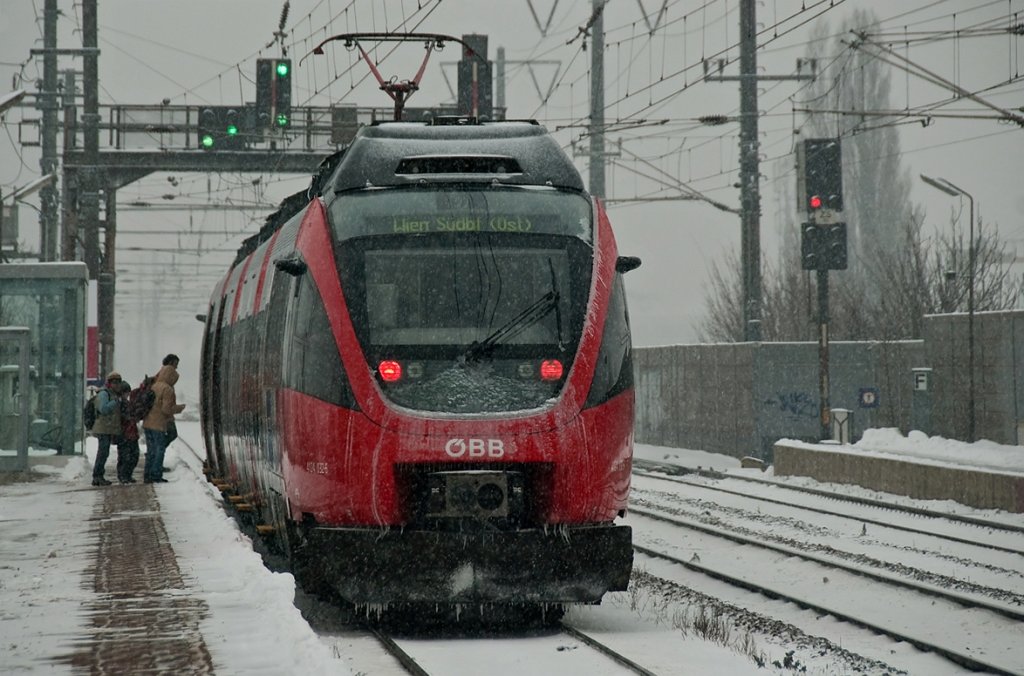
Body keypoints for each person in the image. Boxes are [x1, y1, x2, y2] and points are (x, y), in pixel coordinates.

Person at [142, 355, 185, 483]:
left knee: (152, 450)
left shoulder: (155, 385)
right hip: (158, 424)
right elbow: (166, 410)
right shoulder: (167, 389)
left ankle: (148, 474)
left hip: (148, 423)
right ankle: (156, 474)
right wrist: (179, 408)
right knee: (159, 449)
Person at [89, 371, 125, 486]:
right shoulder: (104, 394)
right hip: (103, 428)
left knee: (104, 453)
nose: (117, 385)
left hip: (107, 428)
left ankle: (99, 475)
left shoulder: (113, 394)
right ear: (109, 383)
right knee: (102, 453)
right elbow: (103, 409)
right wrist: (115, 402)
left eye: (119, 382)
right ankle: (97, 476)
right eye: (114, 382)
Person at [115, 378, 146, 484]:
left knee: (134, 455)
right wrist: (129, 418)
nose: (127, 395)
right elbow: (121, 417)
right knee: (125, 456)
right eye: (125, 393)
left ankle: (127, 475)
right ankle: (123, 475)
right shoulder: (119, 403)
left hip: (132, 433)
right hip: (124, 434)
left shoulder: (127, 403)